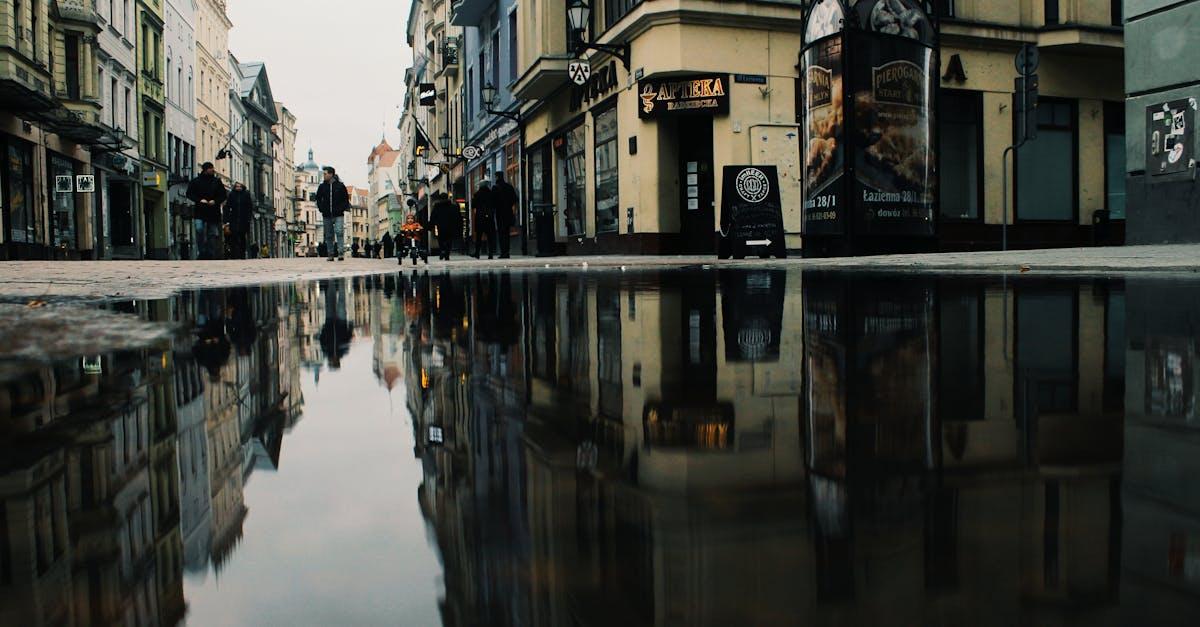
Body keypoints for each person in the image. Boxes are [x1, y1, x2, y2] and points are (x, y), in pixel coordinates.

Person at [186, 162, 228, 259]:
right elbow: (189, 194)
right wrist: (199, 200)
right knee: (199, 229)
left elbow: (223, 195)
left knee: (212, 233)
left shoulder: (217, 181)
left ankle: (210, 253)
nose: (212, 170)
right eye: (210, 168)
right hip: (200, 210)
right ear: (205, 170)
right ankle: (202, 251)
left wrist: (215, 201)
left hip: (213, 211)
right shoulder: (196, 181)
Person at [316, 166, 350, 261]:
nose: (324, 175)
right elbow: (318, 198)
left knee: (339, 232)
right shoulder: (322, 186)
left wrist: (341, 208)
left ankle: (340, 253)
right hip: (326, 214)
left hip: (338, 214)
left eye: (325, 174)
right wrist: (321, 208)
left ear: (331, 174)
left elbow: (346, 199)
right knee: (329, 235)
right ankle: (330, 254)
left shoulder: (340, 186)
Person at [492, 172, 519, 259]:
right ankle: (507, 252)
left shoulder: (495, 188)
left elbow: (493, 201)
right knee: (506, 233)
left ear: (497, 177)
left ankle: (503, 252)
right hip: (508, 212)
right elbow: (515, 199)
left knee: (501, 233)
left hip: (500, 213)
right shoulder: (509, 187)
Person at [223, 182, 253, 259]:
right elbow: (227, 207)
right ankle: (234, 254)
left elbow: (249, 207)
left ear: (243, 187)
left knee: (242, 237)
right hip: (234, 219)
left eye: (240, 186)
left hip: (244, 219)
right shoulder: (232, 194)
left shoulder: (246, 194)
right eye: (237, 186)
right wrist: (226, 220)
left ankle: (242, 254)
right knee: (234, 237)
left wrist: (248, 218)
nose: (238, 188)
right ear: (235, 187)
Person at [430, 192, 462, 261]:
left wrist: (430, 225)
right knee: (449, 240)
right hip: (450, 226)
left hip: (440, 226)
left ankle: (442, 250)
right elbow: (458, 217)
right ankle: (447, 254)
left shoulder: (437, 207)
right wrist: (459, 226)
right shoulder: (453, 206)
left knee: (440, 239)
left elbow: (433, 217)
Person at [472, 181, 496, 259]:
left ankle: (477, 253)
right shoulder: (491, 194)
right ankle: (490, 253)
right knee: (490, 236)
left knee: (479, 236)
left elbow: (473, 206)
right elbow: (494, 205)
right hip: (489, 217)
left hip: (480, 217)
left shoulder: (477, 194)